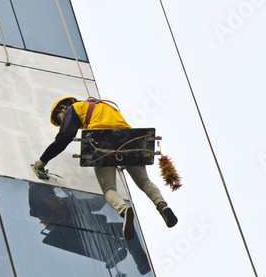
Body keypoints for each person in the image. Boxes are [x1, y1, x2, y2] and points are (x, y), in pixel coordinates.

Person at [32, 96, 177, 240]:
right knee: (144, 182)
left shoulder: (74, 108)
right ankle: (162, 205)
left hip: (102, 140)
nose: (62, 122)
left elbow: (65, 137)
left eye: (59, 119)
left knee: (109, 189)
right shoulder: (105, 106)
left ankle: (124, 210)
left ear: (63, 107)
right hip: (130, 140)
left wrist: (42, 161)